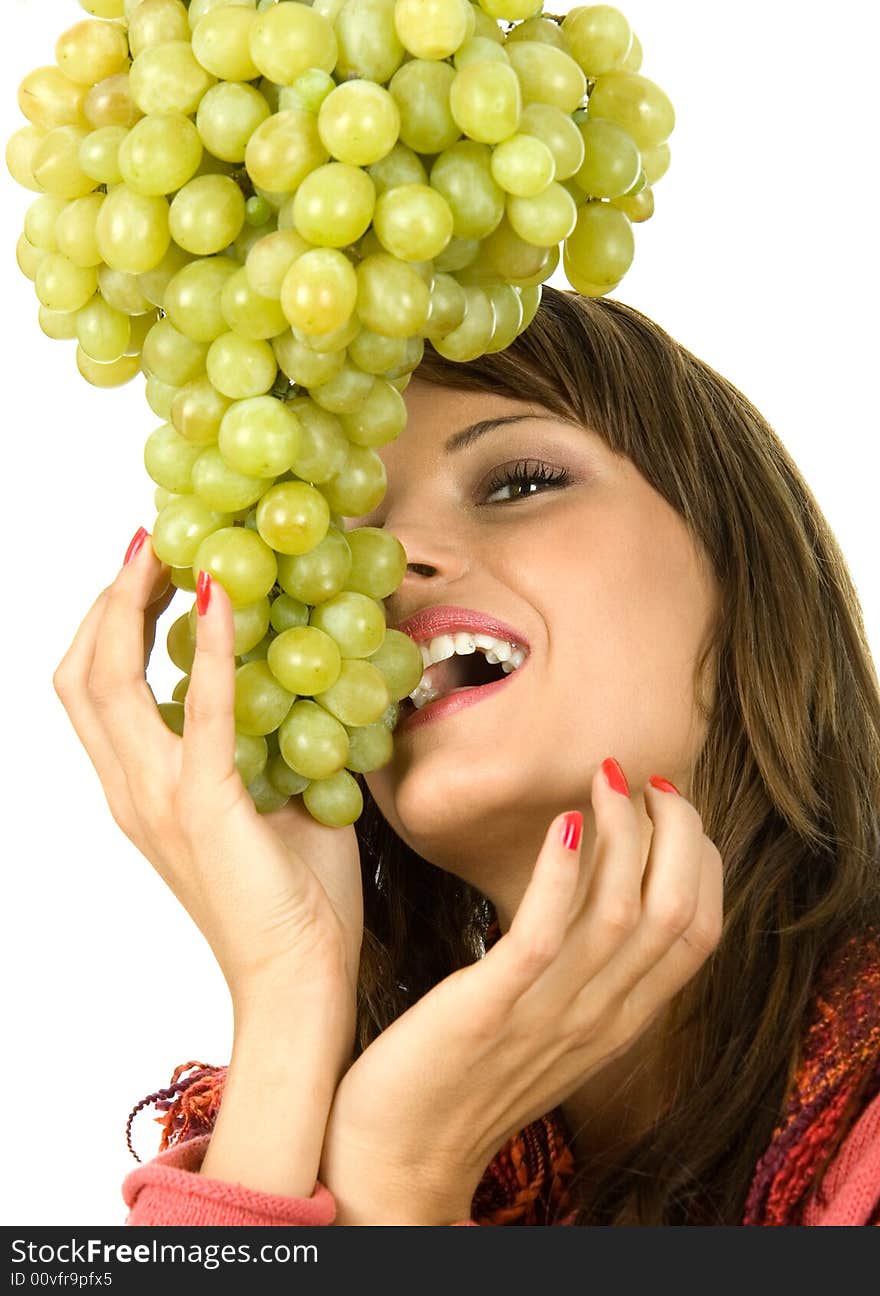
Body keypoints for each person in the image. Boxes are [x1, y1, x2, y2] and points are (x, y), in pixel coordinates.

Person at [53, 288, 880, 1227]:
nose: (391, 561)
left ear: (745, 568)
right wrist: (291, 1003)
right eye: (339, 545)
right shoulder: (287, 1135)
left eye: (518, 483)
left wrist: (395, 1174)